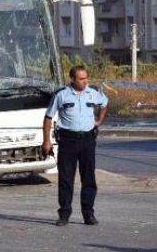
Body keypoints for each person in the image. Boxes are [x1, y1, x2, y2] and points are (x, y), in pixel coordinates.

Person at [42, 65, 108, 227]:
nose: (85, 81)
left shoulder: (93, 93)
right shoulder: (61, 95)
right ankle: (64, 214)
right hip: (68, 141)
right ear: (72, 79)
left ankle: (88, 214)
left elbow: (104, 103)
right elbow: (49, 117)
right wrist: (46, 141)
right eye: (81, 78)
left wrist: (98, 121)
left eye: (86, 78)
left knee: (89, 178)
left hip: (87, 140)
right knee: (66, 178)